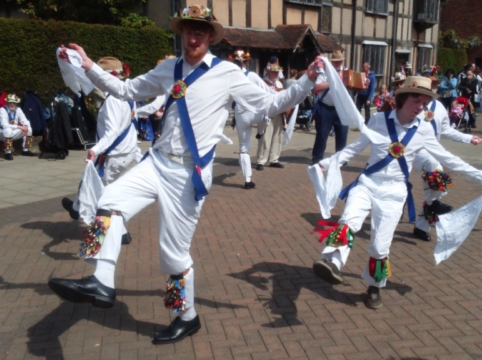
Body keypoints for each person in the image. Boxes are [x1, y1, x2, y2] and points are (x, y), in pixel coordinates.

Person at [49, 4, 323, 345]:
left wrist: (308, 80)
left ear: (209, 36)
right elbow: (128, 90)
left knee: (172, 255)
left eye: (200, 31)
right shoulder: (169, 68)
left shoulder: (227, 74)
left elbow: (270, 104)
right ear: (182, 34)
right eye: (188, 30)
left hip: (188, 175)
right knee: (108, 201)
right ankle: (101, 279)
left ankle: (186, 316)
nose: (193, 36)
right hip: (157, 161)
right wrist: (89, 67)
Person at [311, 76, 482, 309]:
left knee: (380, 246)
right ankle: (332, 262)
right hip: (367, 183)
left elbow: (446, 157)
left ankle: (374, 287)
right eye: (416, 101)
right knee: (348, 221)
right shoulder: (378, 120)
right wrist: (325, 164)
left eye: (424, 103)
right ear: (402, 98)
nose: (420, 107)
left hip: (395, 192)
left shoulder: (424, 129)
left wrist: (478, 175)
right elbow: (354, 149)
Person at [61, 57, 142, 248]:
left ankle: (101, 239)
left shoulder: (114, 99)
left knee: (102, 197)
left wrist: (96, 149)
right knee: (94, 185)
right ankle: (78, 209)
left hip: (115, 154)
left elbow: (113, 131)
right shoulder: (126, 94)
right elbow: (130, 124)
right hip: (123, 152)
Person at [412, 77, 482, 241]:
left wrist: (468, 138)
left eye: (436, 84)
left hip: (432, 150)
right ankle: (432, 204)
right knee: (434, 166)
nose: (434, 87)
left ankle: (422, 226)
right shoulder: (410, 105)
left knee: (432, 185)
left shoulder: (439, 107)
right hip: (412, 150)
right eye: (431, 84)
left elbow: (447, 130)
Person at [229, 50, 275, 187]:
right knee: (266, 115)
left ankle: (248, 180)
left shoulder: (229, 77)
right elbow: (267, 91)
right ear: (247, 62)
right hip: (255, 112)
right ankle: (261, 130)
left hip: (240, 113)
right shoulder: (252, 76)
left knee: (243, 149)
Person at [311, 50, 349, 165]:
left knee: (342, 134)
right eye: (335, 61)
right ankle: (317, 158)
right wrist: (331, 82)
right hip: (325, 107)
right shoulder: (325, 72)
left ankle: (340, 158)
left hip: (341, 107)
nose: (337, 64)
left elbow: (353, 86)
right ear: (332, 61)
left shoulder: (347, 72)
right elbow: (316, 87)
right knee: (322, 134)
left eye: (339, 61)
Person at [256, 60, 287, 170]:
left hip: (279, 113)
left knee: (277, 137)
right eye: (273, 72)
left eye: (277, 72)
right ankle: (261, 160)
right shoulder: (262, 83)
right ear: (268, 72)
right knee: (265, 136)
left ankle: (274, 159)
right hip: (267, 113)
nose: (275, 74)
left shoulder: (279, 83)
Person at [0, 94, 37, 160]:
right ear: (7, 103)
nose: (12, 104)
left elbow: (25, 121)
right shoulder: (2, 110)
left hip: (12, 132)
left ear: (16, 103)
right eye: (10, 102)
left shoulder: (18, 109)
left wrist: (26, 127)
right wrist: (20, 127)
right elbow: (5, 125)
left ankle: (25, 150)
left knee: (29, 129)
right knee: (8, 130)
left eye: (14, 103)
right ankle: (7, 153)